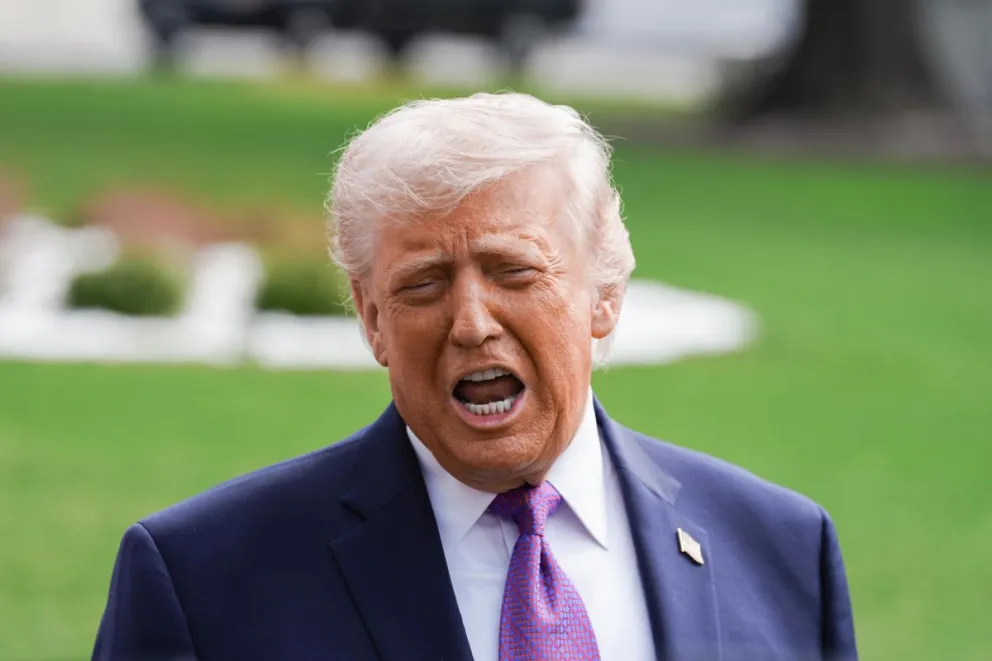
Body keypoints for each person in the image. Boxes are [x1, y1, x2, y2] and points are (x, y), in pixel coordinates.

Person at [92, 92, 857, 661]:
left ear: (605, 295)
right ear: (371, 319)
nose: (471, 322)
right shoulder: (203, 581)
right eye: (422, 284)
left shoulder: (783, 550)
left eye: (512, 270)